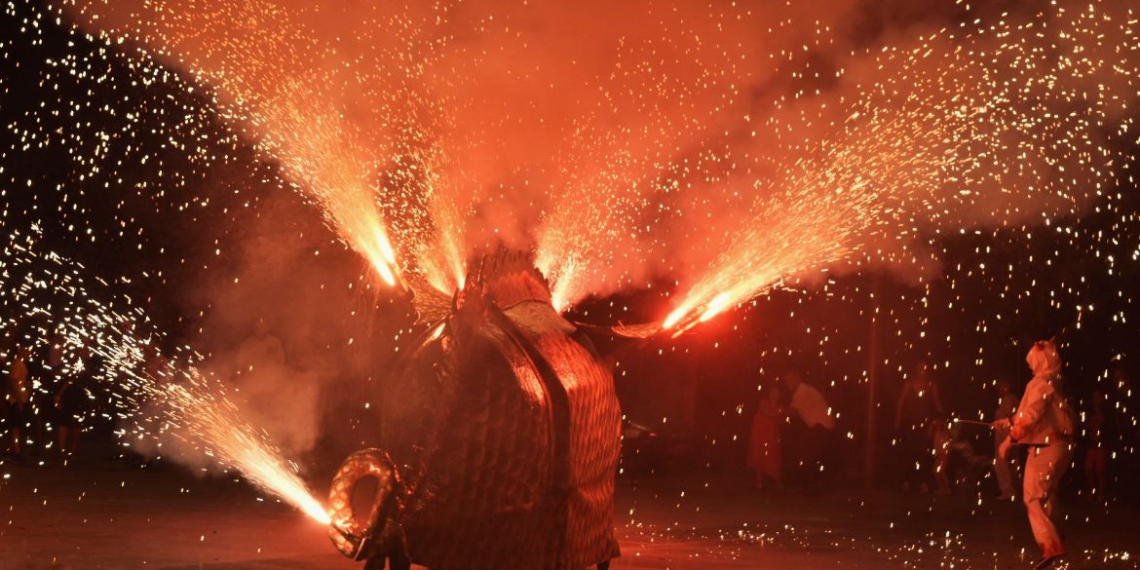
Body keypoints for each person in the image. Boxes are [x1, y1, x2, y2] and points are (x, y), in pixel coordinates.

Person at [995, 339, 1076, 570]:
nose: (1030, 366)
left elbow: (1031, 415)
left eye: (1033, 361)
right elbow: (1036, 412)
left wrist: (1010, 440)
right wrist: (1009, 421)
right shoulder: (1054, 380)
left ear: (1041, 360)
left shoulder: (1041, 383)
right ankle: (1057, 536)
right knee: (1047, 494)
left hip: (1046, 447)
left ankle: (1052, 546)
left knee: (1033, 496)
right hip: (1059, 446)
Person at [895, 363, 945, 492]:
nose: (922, 371)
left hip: (925, 424)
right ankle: (907, 480)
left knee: (923, 452)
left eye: (924, 369)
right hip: (909, 422)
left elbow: (937, 404)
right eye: (920, 369)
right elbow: (901, 402)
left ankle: (922, 481)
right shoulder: (909, 384)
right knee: (909, 451)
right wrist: (898, 421)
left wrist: (941, 419)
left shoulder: (931, 386)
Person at [783, 372, 835, 495]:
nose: (789, 383)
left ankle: (810, 487)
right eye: (787, 381)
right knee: (809, 454)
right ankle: (810, 486)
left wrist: (775, 414)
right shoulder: (803, 391)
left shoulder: (801, 392)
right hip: (820, 426)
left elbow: (790, 413)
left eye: (791, 379)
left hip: (821, 426)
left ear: (798, 378)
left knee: (807, 455)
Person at [747, 385, 783, 491]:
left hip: (772, 435)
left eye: (777, 393)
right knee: (759, 455)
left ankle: (776, 481)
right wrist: (773, 417)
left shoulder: (780, 408)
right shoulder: (764, 402)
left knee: (774, 456)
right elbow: (761, 413)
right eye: (772, 393)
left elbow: (781, 420)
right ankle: (759, 481)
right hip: (760, 433)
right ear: (769, 394)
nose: (774, 395)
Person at [993, 379, 1020, 500]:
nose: (998, 388)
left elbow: (1011, 416)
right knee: (1008, 462)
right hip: (1006, 435)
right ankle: (1011, 490)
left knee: (1002, 462)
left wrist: (1002, 423)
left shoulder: (1009, 399)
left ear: (1007, 386)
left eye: (1000, 385)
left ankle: (1008, 491)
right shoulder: (1007, 399)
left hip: (1007, 436)